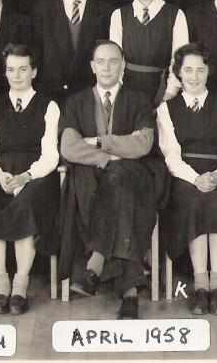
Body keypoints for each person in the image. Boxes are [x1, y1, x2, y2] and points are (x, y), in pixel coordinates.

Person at [59, 40, 156, 320]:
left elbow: (143, 144)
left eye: (113, 61)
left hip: (130, 178)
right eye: (100, 62)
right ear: (92, 66)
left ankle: (96, 265)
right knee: (116, 188)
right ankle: (129, 293)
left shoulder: (137, 99)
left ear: (123, 65)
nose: (106, 67)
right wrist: (107, 156)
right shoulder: (76, 102)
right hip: (91, 178)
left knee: (119, 183)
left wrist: (100, 141)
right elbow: (68, 147)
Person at [0, 44, 61, 315]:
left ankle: (20, 283)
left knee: (28, 201)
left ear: (33, 71)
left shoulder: (49, 105)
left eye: (23, 69)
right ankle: (1, 283)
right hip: (0, 172)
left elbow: (50, 154)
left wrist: (26, 176)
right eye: (11, 70)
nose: (17, 75)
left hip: (36, 173)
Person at [156, 43, 217, 316]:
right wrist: (195, 179)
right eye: (188, 70)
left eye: (200, 70)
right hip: (184, 177)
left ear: (208, 72)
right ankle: (200, 285)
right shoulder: (166, 109)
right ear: (178, 73)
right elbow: (171, 156)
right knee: (194, 201)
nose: (194, 76)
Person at [108, 0, 188, 106]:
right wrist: (120, 95)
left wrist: (168, 96)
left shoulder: (176, 14)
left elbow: (179, 60)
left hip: (163, 91)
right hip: (126, 92)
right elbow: (115, 60)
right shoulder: (119, 15)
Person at [32, 0, 111, 103]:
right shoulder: (43, 10)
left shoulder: (106, 12)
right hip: (51, 98)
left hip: (90, 99)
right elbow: (37, 57)